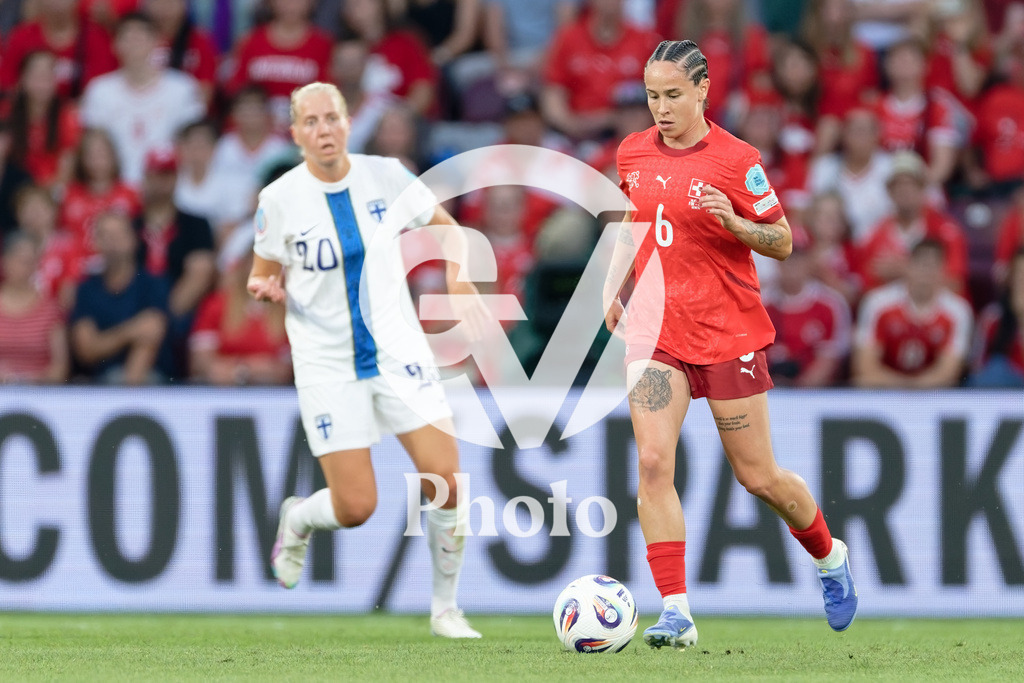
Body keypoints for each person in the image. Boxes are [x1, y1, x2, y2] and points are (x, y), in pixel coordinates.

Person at [602, 40, 858, 649]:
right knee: (654, 462)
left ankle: (828, 554)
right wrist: (612, 287)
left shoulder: (737, 160)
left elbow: (782, 241)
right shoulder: (631, 153)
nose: (660, 108)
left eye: (672, 95)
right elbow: (630, 222)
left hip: (726, 334)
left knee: (759, 476)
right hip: (656, 330)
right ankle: (677, 612)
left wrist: (735, 222)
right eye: (652, 95)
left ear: (702, 91)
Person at [247, 82, 485, 638]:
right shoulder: (278, 200)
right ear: (295, 132)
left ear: (348, 122)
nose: (323, 130)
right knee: (357, 507)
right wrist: (265, 288)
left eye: (332, 118)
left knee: (447, 481)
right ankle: (299, 518)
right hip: (326, 364)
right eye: (311, 122)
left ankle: (445, 610)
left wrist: (458, 276)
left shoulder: (386, 175)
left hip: (399, 353)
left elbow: (449, 233)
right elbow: (260, 271)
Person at [79, 12, 206, 188]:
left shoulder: (182, 88)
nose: (134, 44)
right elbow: (92, 146)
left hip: (169, 188)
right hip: (115, 190)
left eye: (140, 37)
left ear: (157, 42)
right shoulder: (99, 90)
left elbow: (193, 144)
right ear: (115, 44)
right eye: (127, 37)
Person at [852, 238, 973, 388]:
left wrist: (913, 391)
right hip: (883, 392)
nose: (926, 273)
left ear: (943, 270)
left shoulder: (957, 311)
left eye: (933, 266)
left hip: (934, 395)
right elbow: (865, 369)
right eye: (921, 264)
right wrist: (906, 388)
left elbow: (948, 373)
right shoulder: (877, 303)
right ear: (908, 266)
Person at [69, 210, 169, 384]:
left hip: (149, 381)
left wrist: (125, 393)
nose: (112, 240)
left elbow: (150, 335)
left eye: (118, 233)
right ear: (95, 243)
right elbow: (86, 349)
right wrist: (132, 330)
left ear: (133, 239)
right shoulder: (86, 289)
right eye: (105, 235)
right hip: (98, 384)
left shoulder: (153, 284)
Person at [0, 232, 69, 384]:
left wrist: (33, 381)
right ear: (4, 261)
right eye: (21, 260)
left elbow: (60, 364)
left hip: (39, 395)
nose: (27, 267)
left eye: (31, 261)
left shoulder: (50, 308)